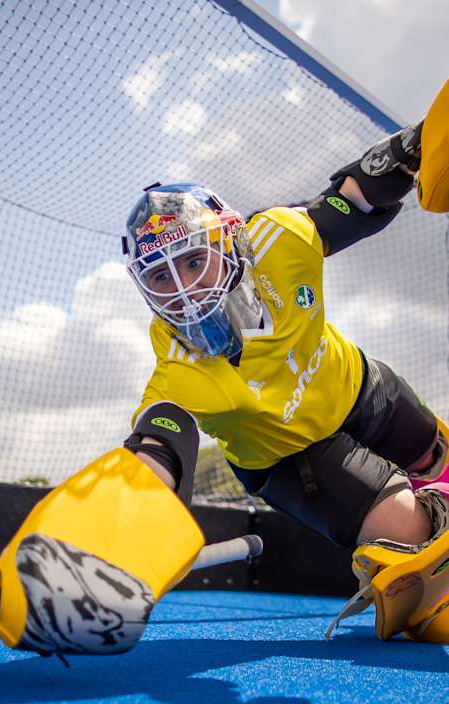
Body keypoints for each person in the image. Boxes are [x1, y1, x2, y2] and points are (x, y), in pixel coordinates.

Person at [121, 103, 449, 644]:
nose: (184, 289)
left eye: (193, 261)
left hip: (354, 385)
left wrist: (414, 146)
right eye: (160, 275)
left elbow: (359, 198)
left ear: (230, 241)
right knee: (409, 537)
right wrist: (111, 528)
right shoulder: (177, 365)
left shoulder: (279, 237)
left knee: (437, 458)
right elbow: (158, 447)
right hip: (291, 457)